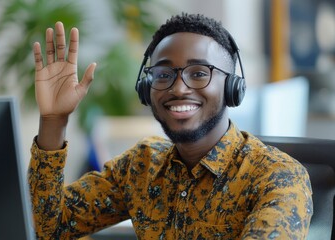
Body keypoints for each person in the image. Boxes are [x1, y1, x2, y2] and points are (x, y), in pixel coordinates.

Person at [29, 13, 313, 239]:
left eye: (199, 73)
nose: (178, 88)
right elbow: (50, 227)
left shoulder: (278, 178)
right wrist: (54, 122)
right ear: (145, 88)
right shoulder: (141, 166)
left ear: (232, 87)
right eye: (163, 74)